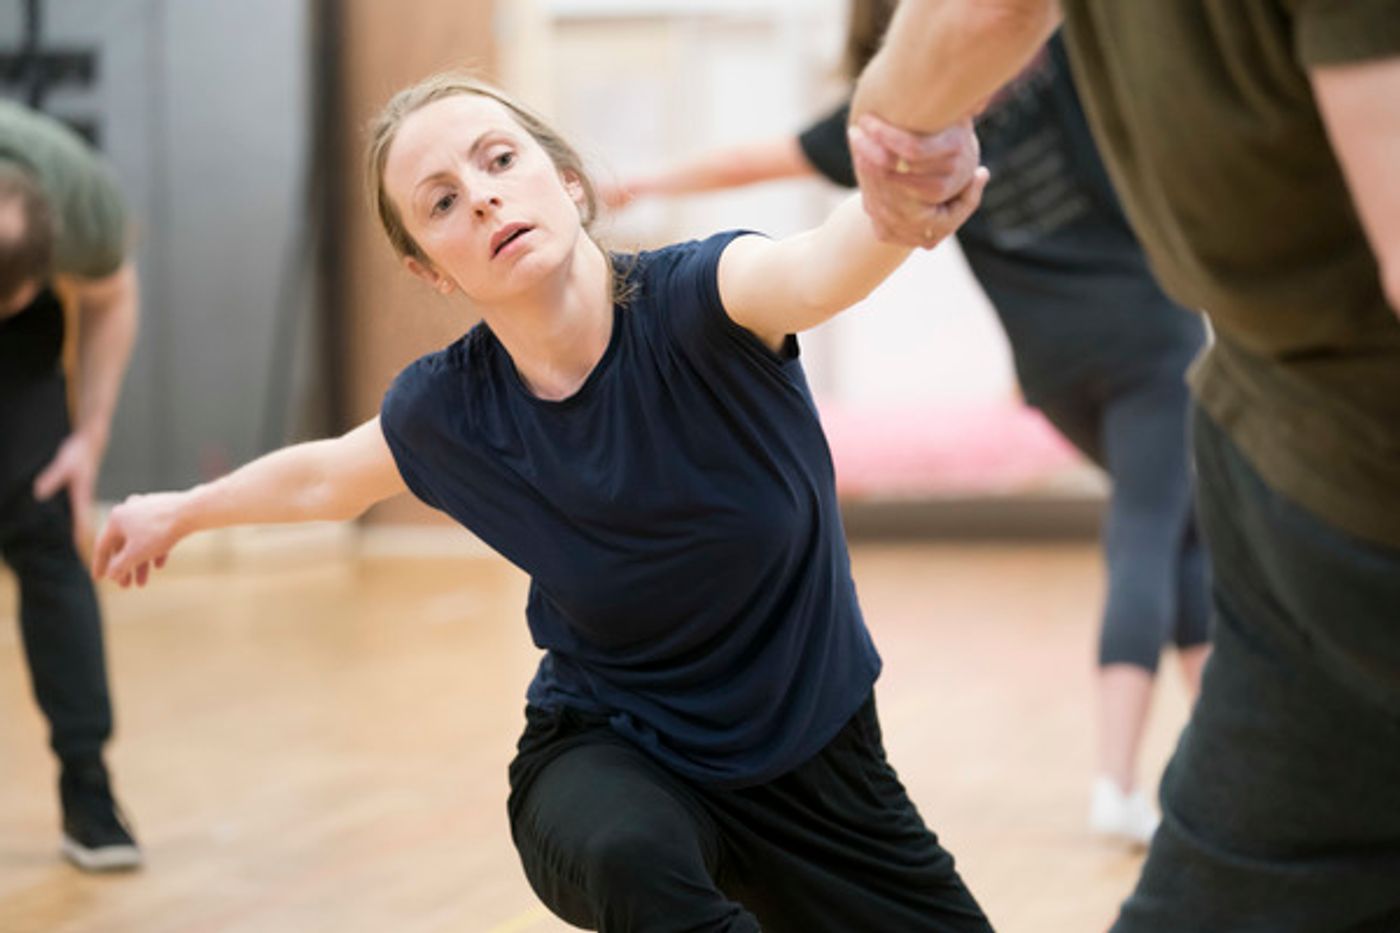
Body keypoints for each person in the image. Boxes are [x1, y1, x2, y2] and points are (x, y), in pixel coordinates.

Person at [93, 72, 995, 931]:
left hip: (819, 760)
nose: (481, 197)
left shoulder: (706, 299)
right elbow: (328, 476)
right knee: (631, 854)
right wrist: (179, 510)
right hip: (613, 752)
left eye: (498, 160)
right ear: (432, 271)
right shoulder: (453, 408)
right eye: (441, 202)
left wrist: (895, 207)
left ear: (567, 182)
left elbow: (819, 269)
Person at [847, 2, 1400, 930]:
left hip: (1254, 430)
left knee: (1165, 549)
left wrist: (894, 119)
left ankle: (1120, 775)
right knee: (1154, 542)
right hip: (1288, 437)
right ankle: (1114, 777)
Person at [605, 0, 1209, 847]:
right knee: (1155, 531)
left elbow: (759, 159)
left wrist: (640, 182)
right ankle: (1117, 781)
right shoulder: (1053, 51)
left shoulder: (897, 119)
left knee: (1181, 535)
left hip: (1054, 370)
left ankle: (1213, 767)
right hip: (1150, 337)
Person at [1, 99, 142, 870]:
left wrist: (86, 439)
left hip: (24, 341)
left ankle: (88, 786)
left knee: (46, 525)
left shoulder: (80, 198)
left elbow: (114, 296)